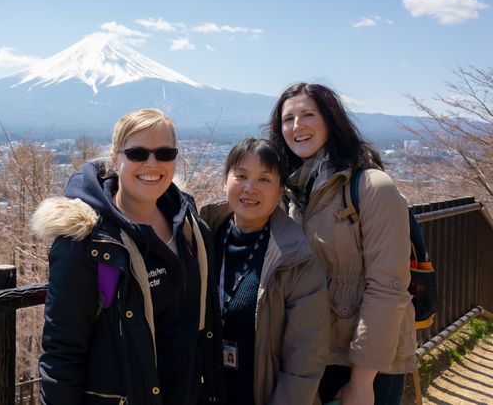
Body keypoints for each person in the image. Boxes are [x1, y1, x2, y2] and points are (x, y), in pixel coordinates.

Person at [31, 108, 221, 405]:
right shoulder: (87, 240)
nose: (152, 163)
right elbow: (63, 351)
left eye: (164, 153)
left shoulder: (188, 225)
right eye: (137, 153)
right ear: (114, 157)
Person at [268, 83, 416, 405]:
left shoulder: (373, 187)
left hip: (370, 363)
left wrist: (362, 380)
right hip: (311, 356)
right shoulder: (291, 194)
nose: (297, 126)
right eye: (288, 119)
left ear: (331, 120)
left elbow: (388, 286)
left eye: (308, 115)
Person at [200, 137, 329, 405]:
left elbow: (305, 359)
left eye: (264, 180)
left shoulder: (295, 257)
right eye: (241, 176)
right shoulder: (201, 238)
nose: (250, 188)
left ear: (280, 191)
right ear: (225, 182)